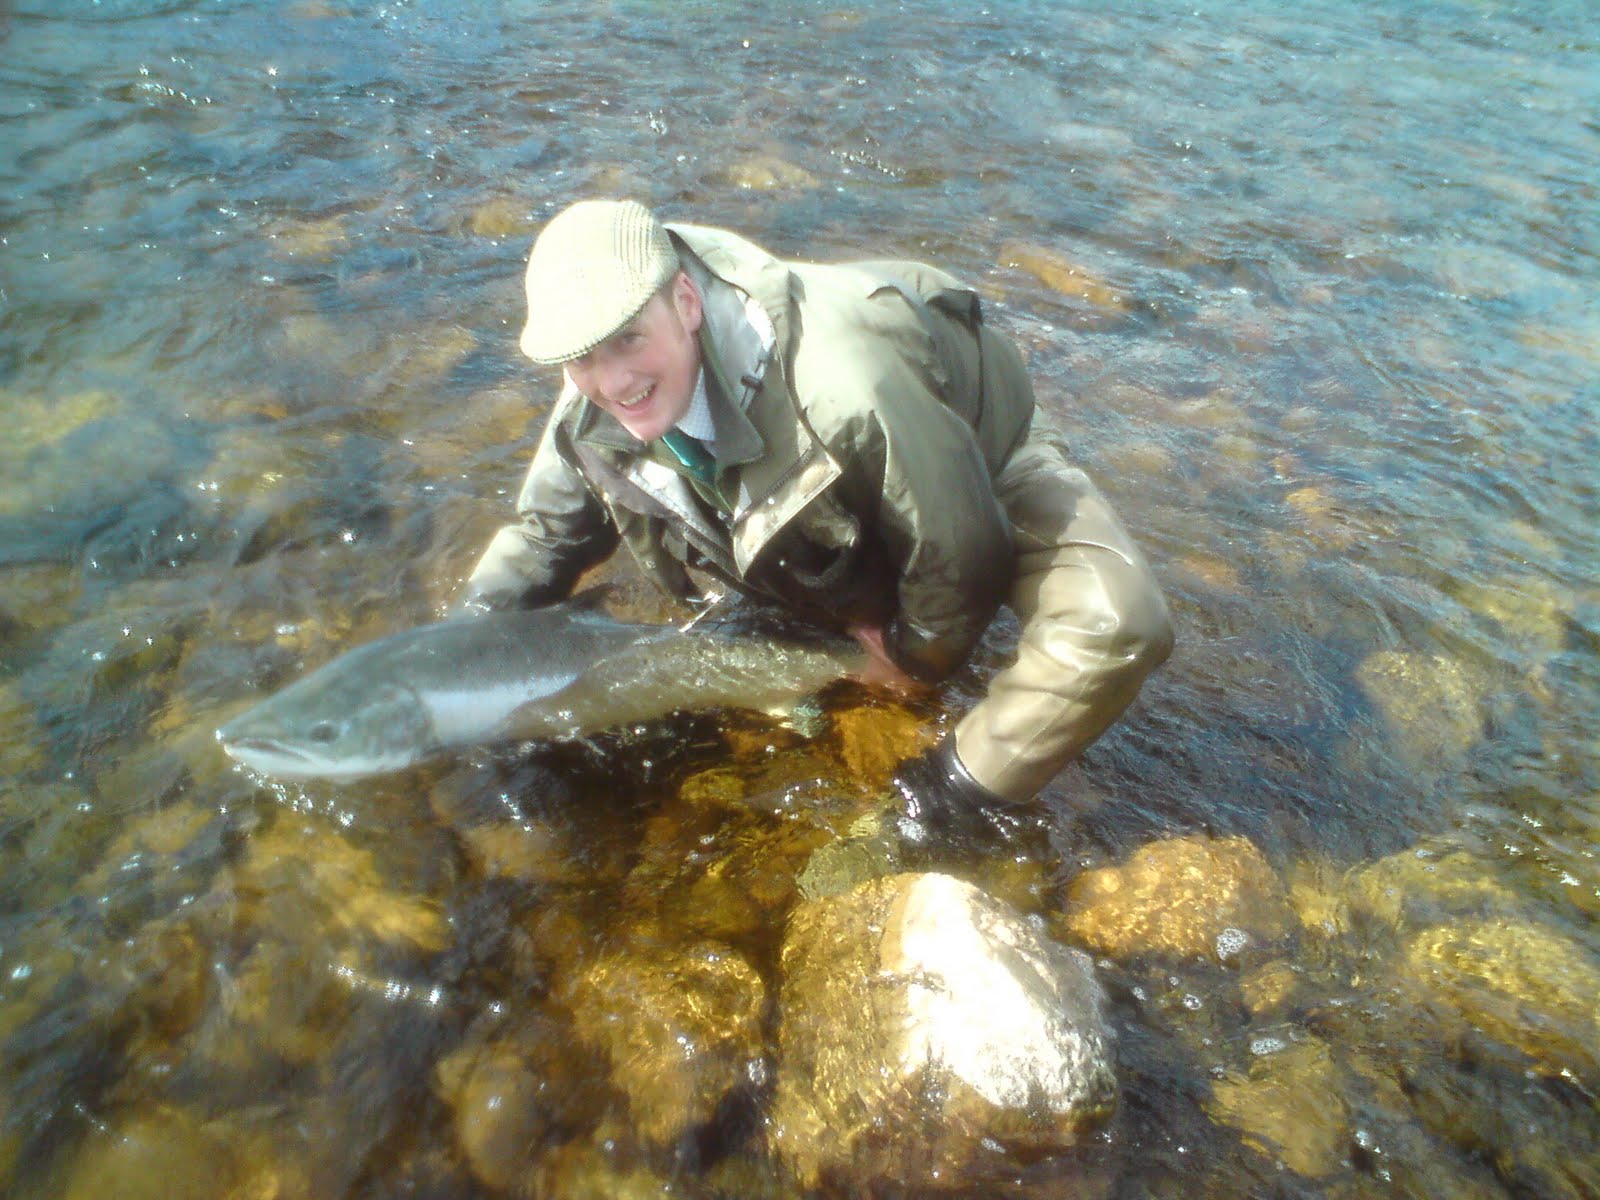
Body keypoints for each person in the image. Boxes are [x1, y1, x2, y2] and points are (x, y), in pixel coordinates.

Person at [461, 199, 1173, 840]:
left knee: (1115, 624)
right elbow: (545, 538)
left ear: (685, 302)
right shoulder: (593, 404)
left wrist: (909, 659)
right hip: (846, 492)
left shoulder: (847, 387)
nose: (613, 380)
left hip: (973, 451)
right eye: (582, 357)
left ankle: (939, 807)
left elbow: (962, 556)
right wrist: (454, 655)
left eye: (628, 339)